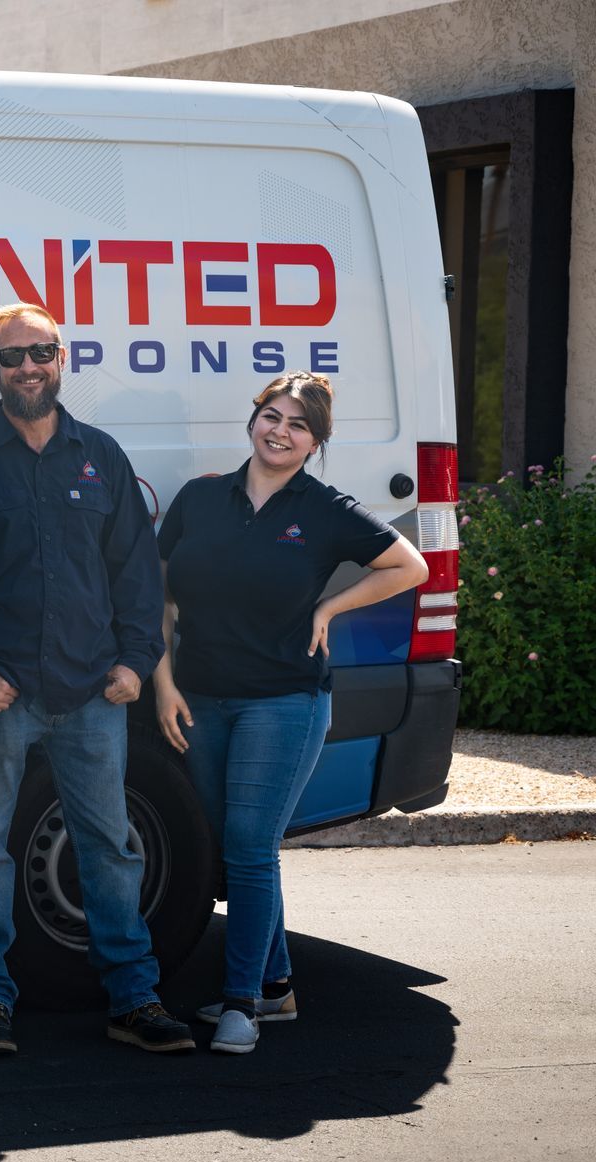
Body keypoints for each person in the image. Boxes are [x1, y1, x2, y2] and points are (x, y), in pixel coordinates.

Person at [153, 371, 427, 1054]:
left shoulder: (324, 508)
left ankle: (241, 1002)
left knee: (250, 847)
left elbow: (410, 566)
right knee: (230, 846)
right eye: (272, 416)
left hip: (285, 699)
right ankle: (274, 986)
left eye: (298, 425)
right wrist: (163, 682)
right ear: (254, 420)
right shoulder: (201, 498)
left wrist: (331, 606)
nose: (280, 432)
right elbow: (158, 593)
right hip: (202, 697)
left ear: (315, 443)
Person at [0, 302, 186, 1055]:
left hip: (91, 694)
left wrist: (135, 661)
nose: (28, 367)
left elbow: (136, 573)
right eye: (12, 355)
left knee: (110, 847)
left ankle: (134, 998)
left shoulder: (100, 456)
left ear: (61, 358)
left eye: (40, 352)